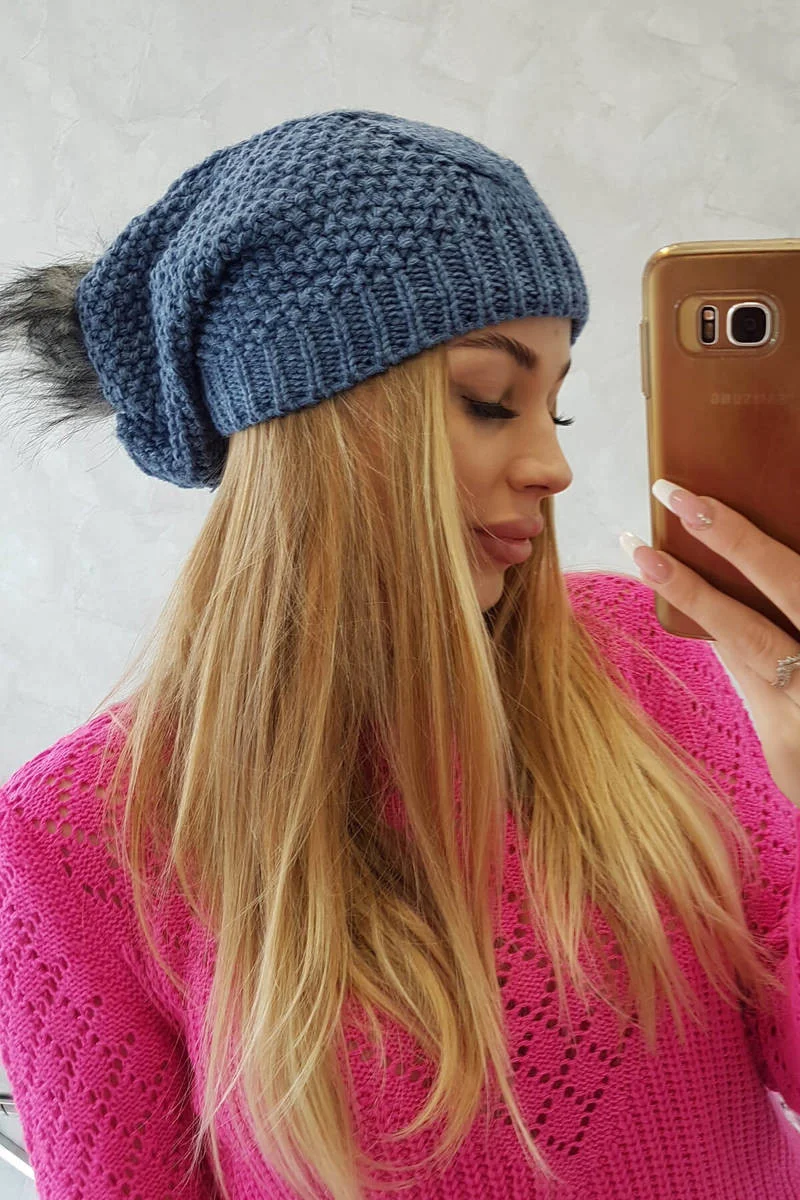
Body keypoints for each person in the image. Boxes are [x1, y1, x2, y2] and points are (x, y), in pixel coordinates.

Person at [0, 108, 798, 1200]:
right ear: (313, 428)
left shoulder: (650, 665)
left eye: (555, 411)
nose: (551, 467)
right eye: (488, 400)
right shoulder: (74, 838)